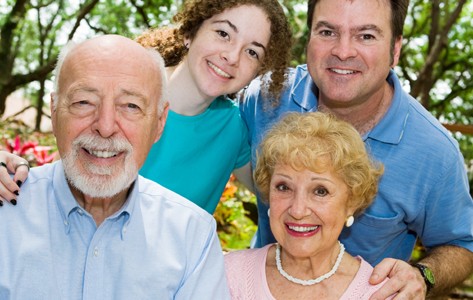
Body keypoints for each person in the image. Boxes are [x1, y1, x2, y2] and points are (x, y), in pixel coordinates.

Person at [239, 0, 473, 298]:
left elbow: (463, 246)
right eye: (327, 32)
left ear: (395, 50)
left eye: (366, 35)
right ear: (308, 36)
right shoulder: (266, 99)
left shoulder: (435, 154)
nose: (343, 51)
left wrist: (423, 276)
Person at [0, 0, 292, 214]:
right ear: (190, 32)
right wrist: (11, 168)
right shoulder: (117, 85)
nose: (232, 55)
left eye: (252, 51)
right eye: (223, 33)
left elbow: (279, 192)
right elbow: (62, 175)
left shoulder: (233, 130)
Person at [0, 35, 230, 299]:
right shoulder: (6, 211)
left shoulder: (192, 236)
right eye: (83, 102)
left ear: (159, 122)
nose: (106, 126)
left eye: (131, 106)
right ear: (54, 111)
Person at [225, 112, 388, 299]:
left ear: (351, 202)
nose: (297, 210)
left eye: (320, 191)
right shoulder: (229, 275)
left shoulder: (379, 293)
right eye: (284, 187)